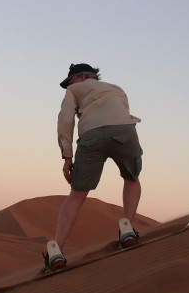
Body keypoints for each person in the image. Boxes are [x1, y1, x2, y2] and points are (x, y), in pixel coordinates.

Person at [43, 63, 143, 272]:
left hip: (91, 136)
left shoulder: (74, 90)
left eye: (69, 81)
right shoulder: (116, 88)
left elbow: (65, 119)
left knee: (77, 194)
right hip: (124, 130)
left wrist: (67, 156)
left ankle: (57, 251)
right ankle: (127, 229)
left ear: (79, 77)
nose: (68, 85)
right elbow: (123, 111)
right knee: (131, 178)